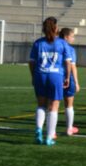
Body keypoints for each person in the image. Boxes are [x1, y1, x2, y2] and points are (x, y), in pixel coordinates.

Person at [29, 17, 72, 146]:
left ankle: (38, 129)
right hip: (55, 76)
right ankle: (49, 137)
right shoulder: (62, 43)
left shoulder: (38, 43)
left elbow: (31, 62)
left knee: (41, 105)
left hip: (40, 75)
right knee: (54, 107)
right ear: (56, 28)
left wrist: (33, 76)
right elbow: (68, 62)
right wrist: (67, 77)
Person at [59, 28, 81, 136]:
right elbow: (72, 66)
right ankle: (69, 129)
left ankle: (50, 131)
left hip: (55, 77)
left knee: (52, 104)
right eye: (72, 36)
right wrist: (76, 82)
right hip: (67, 78)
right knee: (69, 105)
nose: (73, 39)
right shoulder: (70, 49)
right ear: (66, 37)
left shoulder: (54, 46)